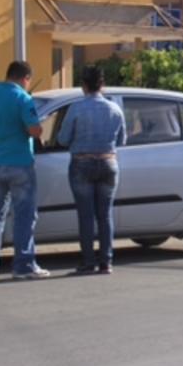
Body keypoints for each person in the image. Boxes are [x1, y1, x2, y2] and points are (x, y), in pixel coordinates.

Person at [0, 60, 49, 280]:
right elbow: (34, 130)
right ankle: (23, 265)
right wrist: (36, 124)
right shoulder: (23, 98)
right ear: (26, 78)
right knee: (24, 216)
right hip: (19, 163)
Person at [57, 65, 126, 275]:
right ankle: (106, 261)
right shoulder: (115, 109)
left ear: (83, 86)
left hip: (82, 163)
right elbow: (122, 140)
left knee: (86, 215)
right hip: (108, 162)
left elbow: (63, 139)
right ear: (102, 85)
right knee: (105, 215)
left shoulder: (76, 108)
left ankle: (88, 261)